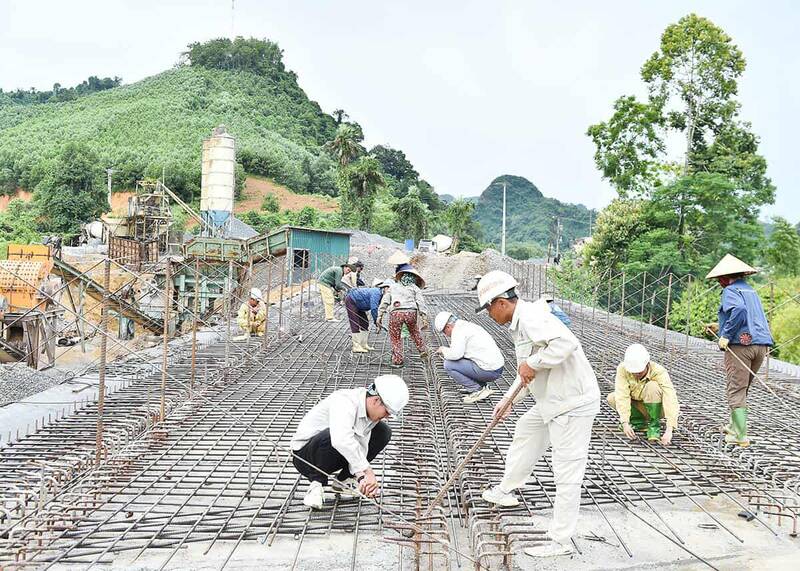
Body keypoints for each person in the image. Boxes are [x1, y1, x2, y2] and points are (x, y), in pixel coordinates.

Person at [476, 270, 600, 558]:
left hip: (572, 403)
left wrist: (533, 361)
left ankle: (560, 540)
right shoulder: (520, 323)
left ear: (501, 302)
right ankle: (507, 488)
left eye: (488, 308)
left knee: (566, 471)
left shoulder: (532, 316)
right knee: (525, 430)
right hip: (551, 400)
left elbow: (565, 344)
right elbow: (526, 374)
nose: (489, 314)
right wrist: (508, 400)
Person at [290, 375, 409, 509]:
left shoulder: (369, 414)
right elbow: (341, 440)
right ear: (376, 400)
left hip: (330, 454)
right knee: (334, 435)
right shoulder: (345, 402)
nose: (387, 417)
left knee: (383, 431)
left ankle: (343, 481)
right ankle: (316, 486)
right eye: (387, 412)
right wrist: (368, 471)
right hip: (306, 457)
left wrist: (361, 477)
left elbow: (361, 446)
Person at [706, 254, 773, 447]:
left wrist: (725, 335)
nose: (719, 282)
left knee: (735, 388)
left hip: (740, 347)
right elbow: (749, 318)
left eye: (720, 279)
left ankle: (740, 435)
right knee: (742, 388)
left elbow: (739, 311)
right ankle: (734, 425)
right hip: (760, 347)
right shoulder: (751, 291)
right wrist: (719, 327)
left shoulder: (730, 290)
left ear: (726, 278)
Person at [608, 344, 679, 445]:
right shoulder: (623, 369)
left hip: (657, 409)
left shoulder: (658, 371)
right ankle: (638, 422)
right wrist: (624, 423)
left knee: (652, 386)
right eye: (633, 372)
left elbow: (670, 397)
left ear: (647, 364)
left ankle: (654, 426)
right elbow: (622, 395)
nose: (636, 374)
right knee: (613, 397)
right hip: (637, 407)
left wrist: (669, 429)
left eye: (639, 372)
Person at [434, 311, 504, 403]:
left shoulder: (458, 331)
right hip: (496, 368)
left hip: (489, 371)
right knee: (464, 359)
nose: (446, 335)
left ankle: (477, 390)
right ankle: (481, 386)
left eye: (444, 332)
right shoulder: (466, 325)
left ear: (448, 327)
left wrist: (443, 350)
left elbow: (455, 355)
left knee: (449, 364)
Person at [377, 268, 428, 368]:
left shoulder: (393, 287)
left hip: (396, 313)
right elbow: (421, 303)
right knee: (414, 332)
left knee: (395, 337)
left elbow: (385, 302)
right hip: (411, 313)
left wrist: (380, 315)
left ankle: (398, 360)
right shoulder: (415, 288)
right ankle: (422, 350)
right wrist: (424, 317)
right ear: (414, 279)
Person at [345, 281, 386, 353]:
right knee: (355, 323)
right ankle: (356, 346)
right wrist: (376, 322)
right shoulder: (377, 292)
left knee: (365, 323)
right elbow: (374, 308)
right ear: (385, 288)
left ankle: (363, 344)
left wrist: (379, 321)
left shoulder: (383, 296)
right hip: (352, 300)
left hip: (360, 304)